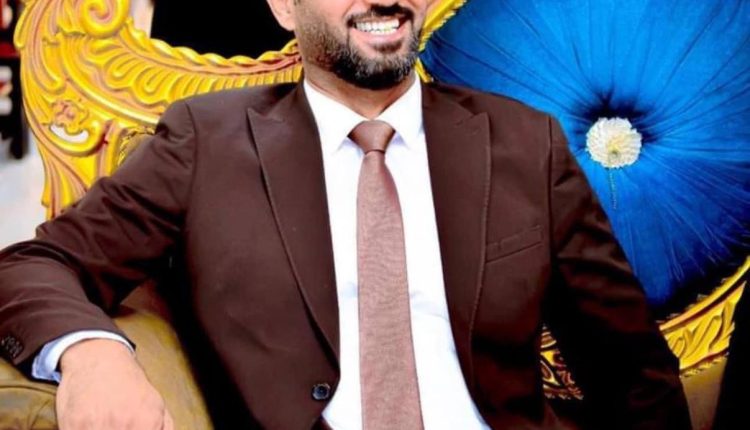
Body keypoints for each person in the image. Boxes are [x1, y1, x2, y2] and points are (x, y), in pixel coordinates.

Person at [0, 0, 692, 429]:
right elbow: (37, 265)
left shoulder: (523, 142)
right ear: (283, 6)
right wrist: (93, 355)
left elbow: (633, 374)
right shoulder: (205, 141)